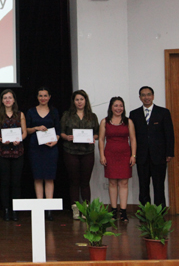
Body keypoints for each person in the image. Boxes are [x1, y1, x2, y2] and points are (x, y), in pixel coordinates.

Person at [129, 86, 174, 208]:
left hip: (159, 156)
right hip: (142, 156)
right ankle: (145, 212)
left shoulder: (163, 112)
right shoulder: (134, 114)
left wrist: (169, 153)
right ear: (140, 97)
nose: (146, 97)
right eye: (143, 95)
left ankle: (160, 212)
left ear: (153, 96)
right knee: (143, 186)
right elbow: (132, 137)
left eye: (149, 94)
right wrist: (133, 154)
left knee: (159, 186)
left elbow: (169, 134)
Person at [60, 90, 99, 219]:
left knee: (85, 182)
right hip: (71, 151)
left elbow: (97, 133)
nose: (79, 102)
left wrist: (94, 137)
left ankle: (86, 210)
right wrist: (67, 137)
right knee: (74, 181)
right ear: (73, 101)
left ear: (85, 101)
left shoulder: (92, 116)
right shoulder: (67, 115)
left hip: (87, 152)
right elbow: (61, 132)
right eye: (77, 99)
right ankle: (75, 210)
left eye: (81, 99)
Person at [0, 89, 27, 221]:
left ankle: (15, 210)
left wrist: (20, 139)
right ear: (2, 100)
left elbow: (24, 132)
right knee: (5, 182)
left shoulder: (20, 114)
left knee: (16, 182)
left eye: (10, 97)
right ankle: (6, 209)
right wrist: (1, 139)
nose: (7, 100)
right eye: (5, 98)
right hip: (3, 152)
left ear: (14, 100)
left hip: (18, 152)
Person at [98, 96, 137, 222]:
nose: (118, 108)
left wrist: (133, 155)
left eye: (121, 106)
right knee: (112, 183)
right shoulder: (104, 122)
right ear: (111, 107)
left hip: (125, 155)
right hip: (110, 155)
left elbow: (133, 139)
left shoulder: (128, 122)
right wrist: (102, 155)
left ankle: (123, 212)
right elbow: (101, 140)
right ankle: (114, 211)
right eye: (116, 106)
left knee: (124, 183)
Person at [26, 87, 60, 221]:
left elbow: (58, 130)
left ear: (49, 97)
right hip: (35, 148)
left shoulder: (54, 111)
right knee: (38, 177)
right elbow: (26, 130)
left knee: (49, 178)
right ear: (37, 97)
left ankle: (49, 209)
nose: (43, 98)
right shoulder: (31, 111)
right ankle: (40, 207)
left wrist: (55, 141)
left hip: (50, 148)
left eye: (45, 95)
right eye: (40, 96)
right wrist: (36, 128)